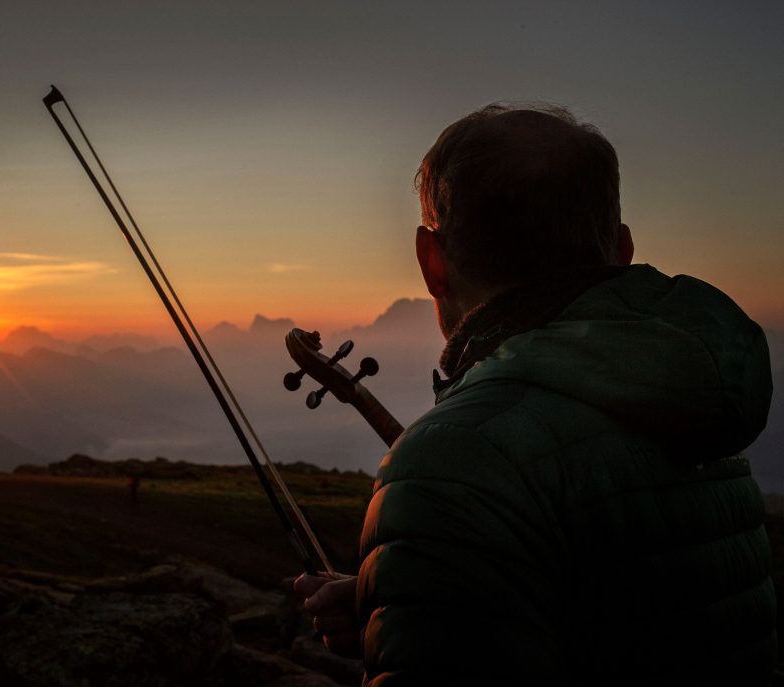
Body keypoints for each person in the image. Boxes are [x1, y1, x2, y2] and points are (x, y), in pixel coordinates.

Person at [294, 104, 776, 684]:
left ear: (431, 261)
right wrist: (407, 597)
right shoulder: (696, 401)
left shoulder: (452, 462)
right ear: (620, 249)